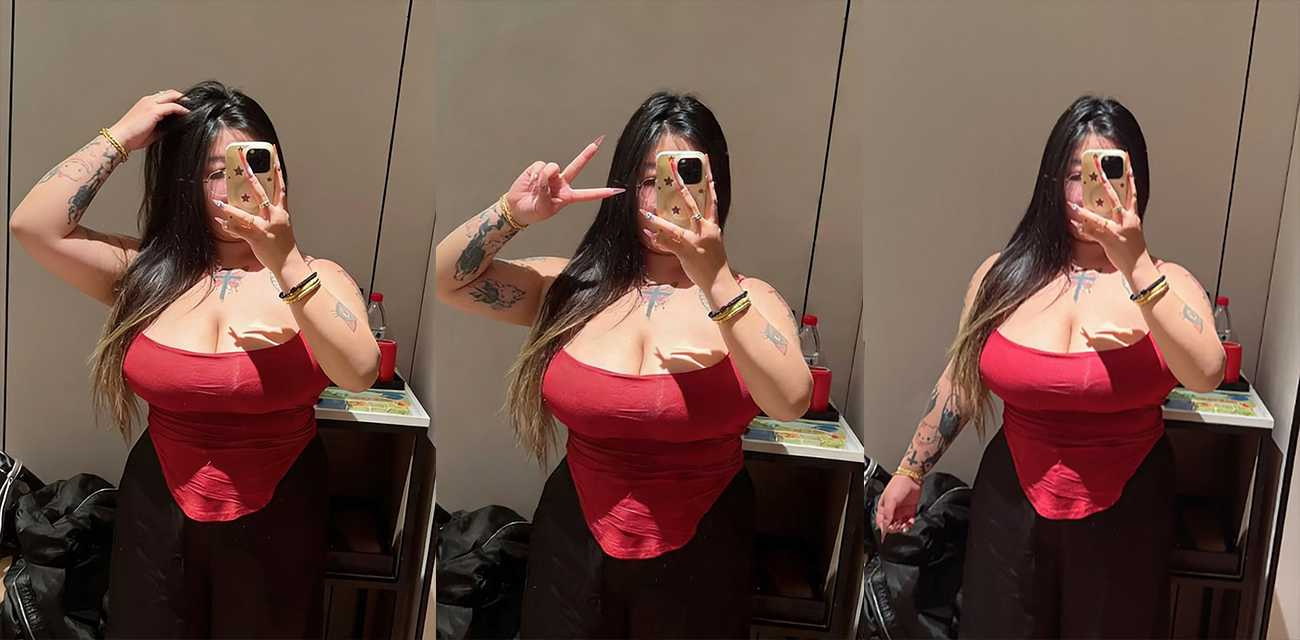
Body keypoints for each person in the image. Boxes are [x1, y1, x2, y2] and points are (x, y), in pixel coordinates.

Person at [434, 91, 812, 638]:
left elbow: (792, 401)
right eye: (648, 179)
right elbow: (449, 280)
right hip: (571, 542)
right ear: (624, 188)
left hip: (704, 548)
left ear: (714, 188)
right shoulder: (571, 288)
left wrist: (714, 278)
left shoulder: (748, 300)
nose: (663, 198)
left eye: (682, 178)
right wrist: (512, 214)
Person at [9, 80, 379, 637]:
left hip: (281, 509)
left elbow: (360, 372)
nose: (237, 185)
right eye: (215, 172)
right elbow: (32, 226)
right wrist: (119, 138)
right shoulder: (146, 274)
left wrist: (283, 261)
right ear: (184, 181)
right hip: (156, 505)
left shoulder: (317, 277)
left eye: (254, 164)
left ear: (279, 173)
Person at [875, 95, 1226, 639]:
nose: (1091, 191)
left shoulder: (1168, 282)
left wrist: (1134, 261)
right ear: (1052, 182)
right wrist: (910, 471)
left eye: (1110, 174)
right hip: (1010, 503)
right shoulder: (1001, 277)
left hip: (1128, 507)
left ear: (1136, 183)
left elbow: (1207, 372)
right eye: (1076, 176)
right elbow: (960, 381)